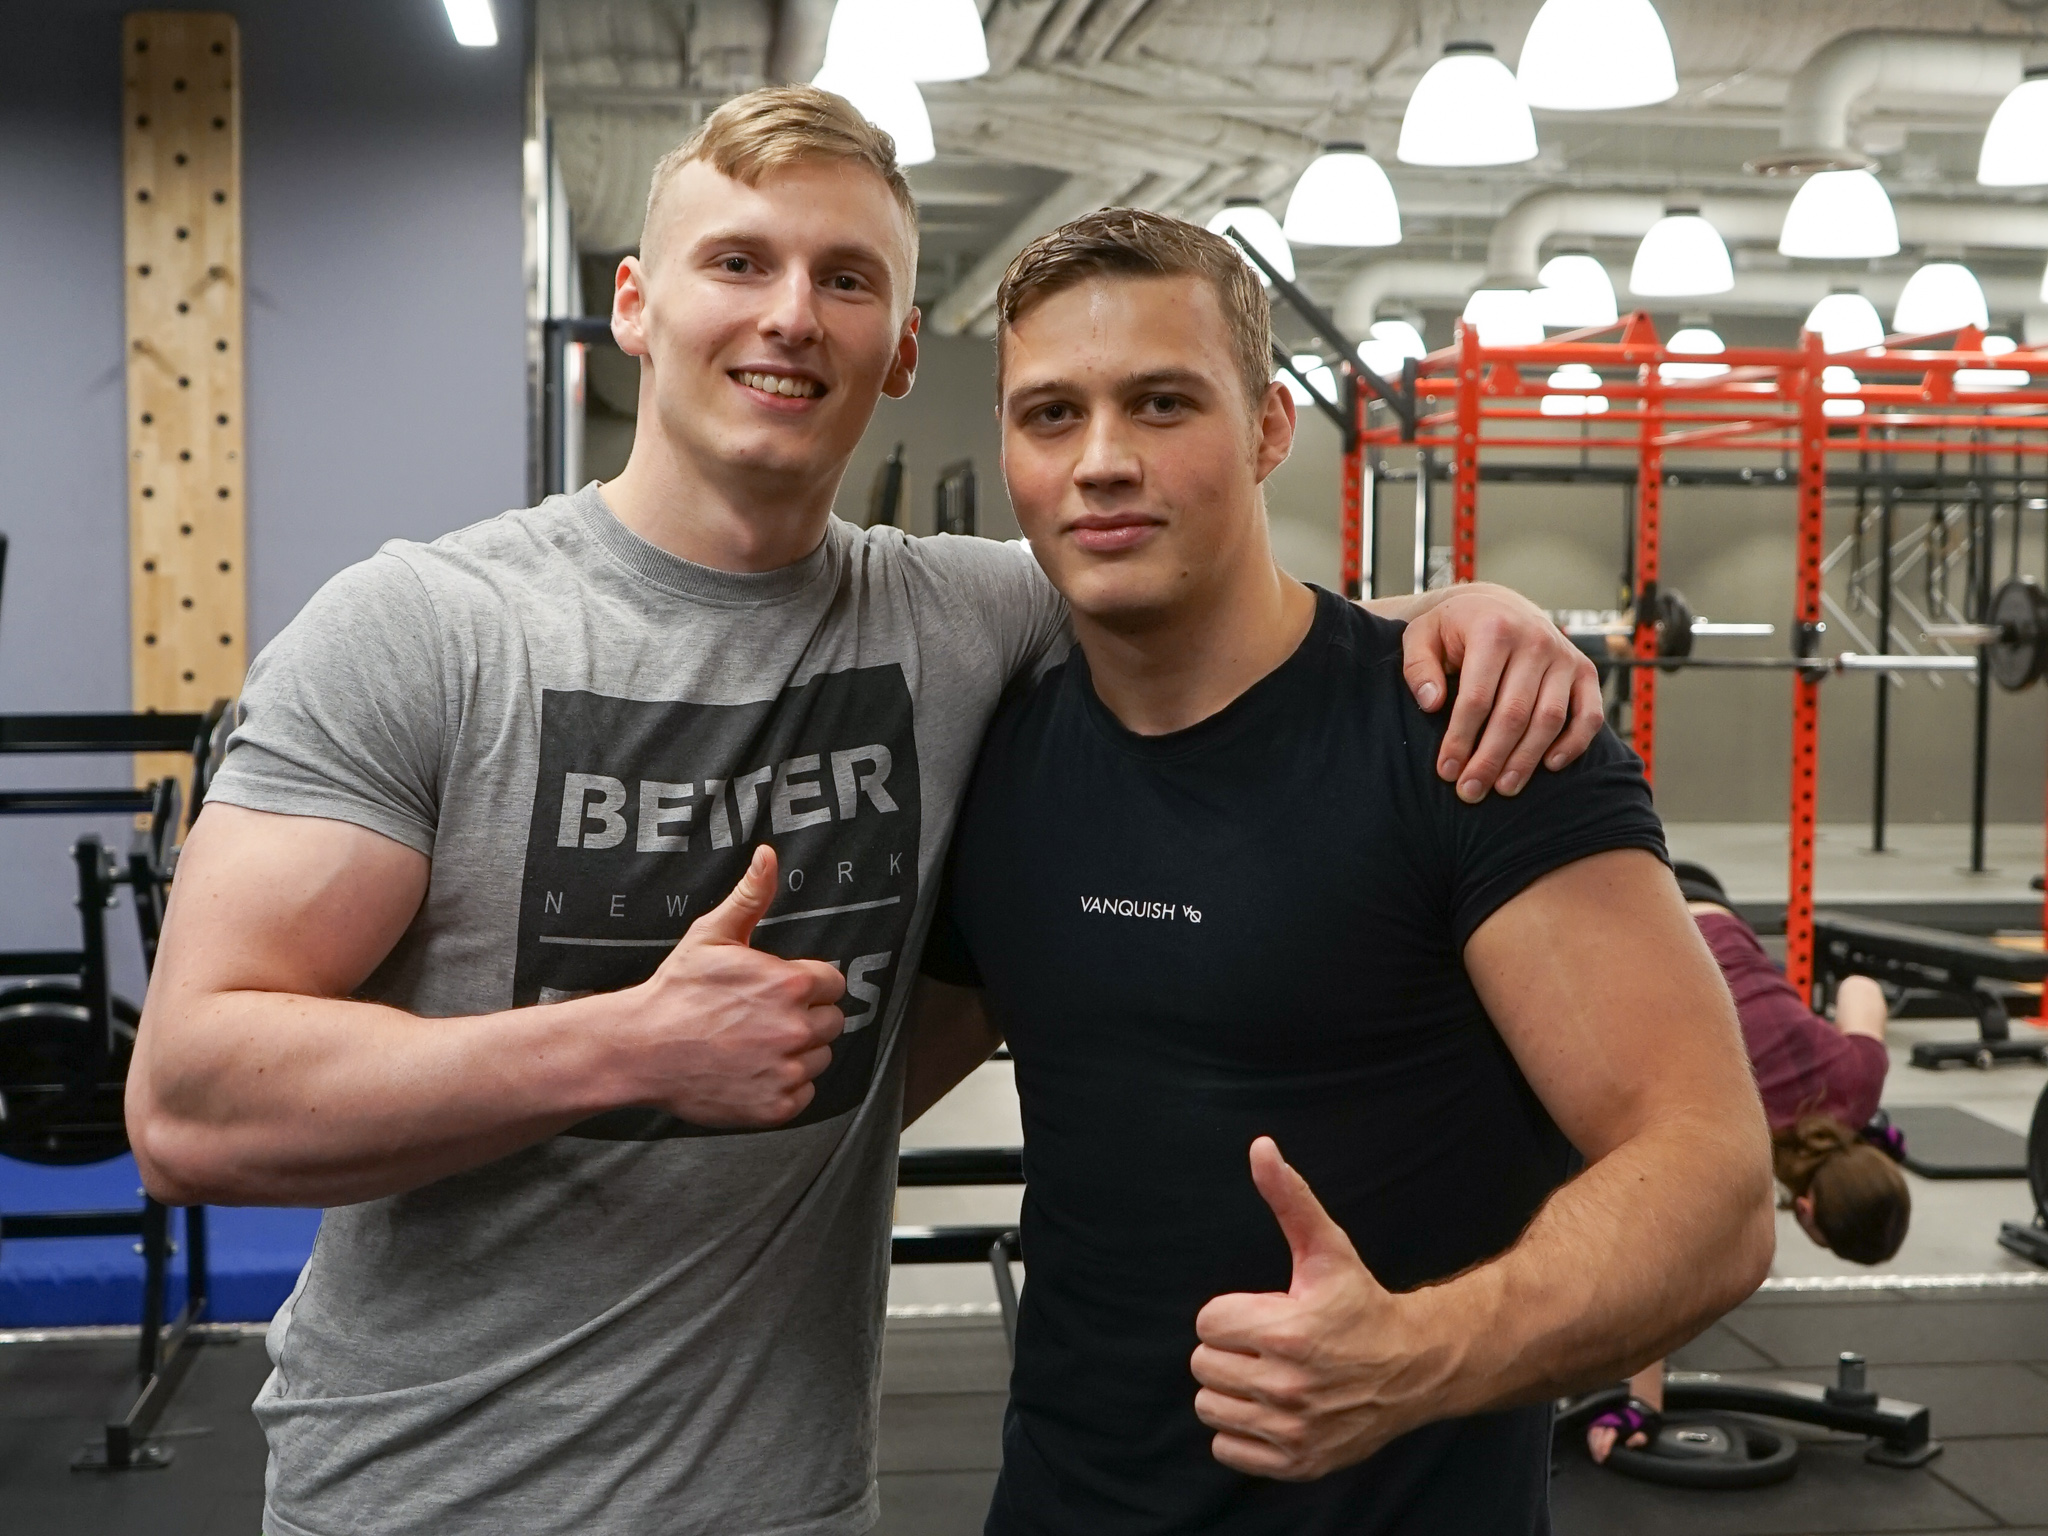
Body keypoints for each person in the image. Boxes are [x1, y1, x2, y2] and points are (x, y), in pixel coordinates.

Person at [124, 88, 1604, 1536]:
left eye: (846, 280)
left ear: (900, 351)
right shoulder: (425, 630)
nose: (790, 315)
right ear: (636, 307)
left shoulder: (964, 617)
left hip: (795, 1499)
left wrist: (1469, 612)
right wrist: (625, 1042)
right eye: (739, 262)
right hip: (429, 1490)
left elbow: (1220, 606)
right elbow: (189, 1103)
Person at [907, 207, 1777, 1535]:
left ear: (1267, 430)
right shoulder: (1001, 752)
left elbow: (1713, 1188)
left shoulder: (1471, 737)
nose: (1101, 461)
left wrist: (1419, 1357)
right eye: (1050, 415)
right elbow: (860, 1087)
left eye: (1161, 402)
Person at [1585, 859, 1909, 1466]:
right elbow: (1658, 1263)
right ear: (1806, 1211)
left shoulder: (1859, 1086)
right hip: (1624, 924)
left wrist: (1864, 1109)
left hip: (1700, 896)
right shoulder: (1738, 1144)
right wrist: (1641, 1406)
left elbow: (1859, 989)